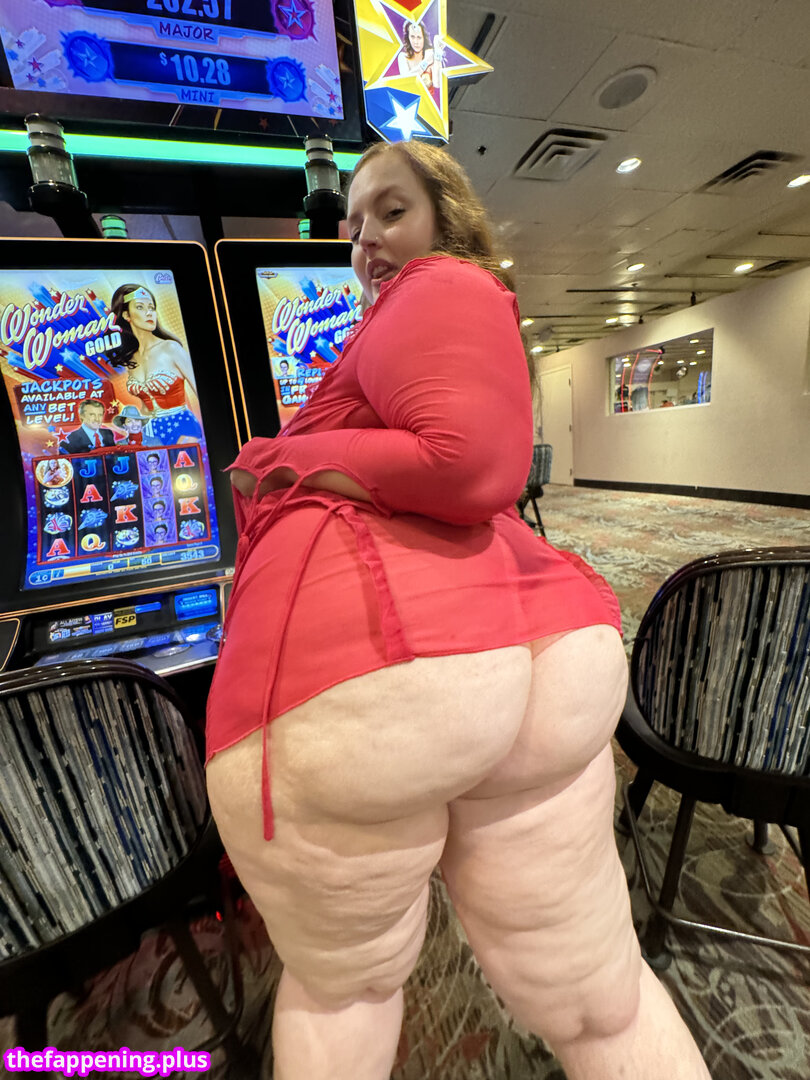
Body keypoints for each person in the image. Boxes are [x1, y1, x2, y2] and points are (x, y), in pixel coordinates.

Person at [205, 140, 711, 1080]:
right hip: (538, 652)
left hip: (367, 666)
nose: (366, 239)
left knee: (346, 993)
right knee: (601, 1001)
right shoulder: (428, 311)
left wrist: (278, 458)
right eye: (354, 224)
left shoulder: (440, 285)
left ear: (448, 215)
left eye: (391, 210)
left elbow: (470, 465)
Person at [108, 283, 202, 444]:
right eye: (140, 307)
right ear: (126, 315)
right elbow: (145, 406)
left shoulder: (170, 348)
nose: (149, 313)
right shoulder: (130, 359)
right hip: (150, 430)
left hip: (182, 427)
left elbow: (202, 394)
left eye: (151, 308)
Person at [397, 19, 442, 92]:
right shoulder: (403, 57)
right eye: (412, 37)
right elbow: (406, 81)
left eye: (419, 37)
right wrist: (426, 62)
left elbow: (437, 84)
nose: (416, 42)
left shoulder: (430, 54)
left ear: (424, 38)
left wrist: (438, 53)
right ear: (408, 37)